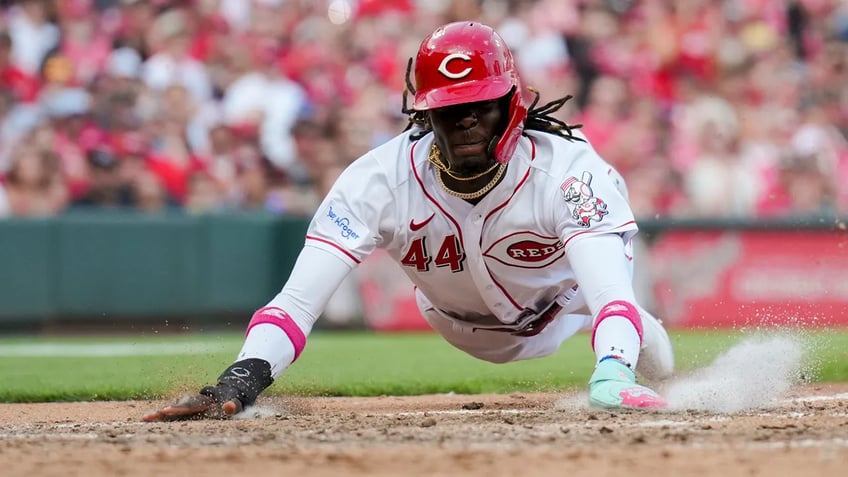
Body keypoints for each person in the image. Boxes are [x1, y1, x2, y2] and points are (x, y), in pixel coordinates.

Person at [143, 21, 674, 421]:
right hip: (452, 318)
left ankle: (629, 345)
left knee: (631, 330)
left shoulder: (571, 171)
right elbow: (298, 302)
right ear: (423, 112)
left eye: (481, 103)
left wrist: (609, 375)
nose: (465, 118)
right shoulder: (376, 180)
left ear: (511, 102)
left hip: (563, 300)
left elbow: (608, 294)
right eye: (449, 107)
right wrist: (243, 376)